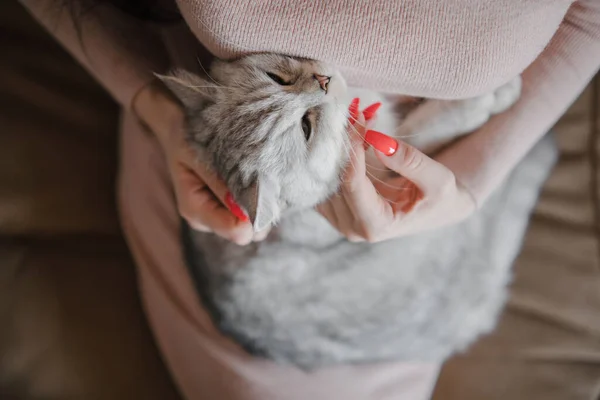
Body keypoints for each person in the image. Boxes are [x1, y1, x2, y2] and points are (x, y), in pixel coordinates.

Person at [19, 1, 600, 399]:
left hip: (290, 263)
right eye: (282, 80)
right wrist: (158, 110)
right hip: (230, 179)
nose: (318, 83)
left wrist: (479, 175)